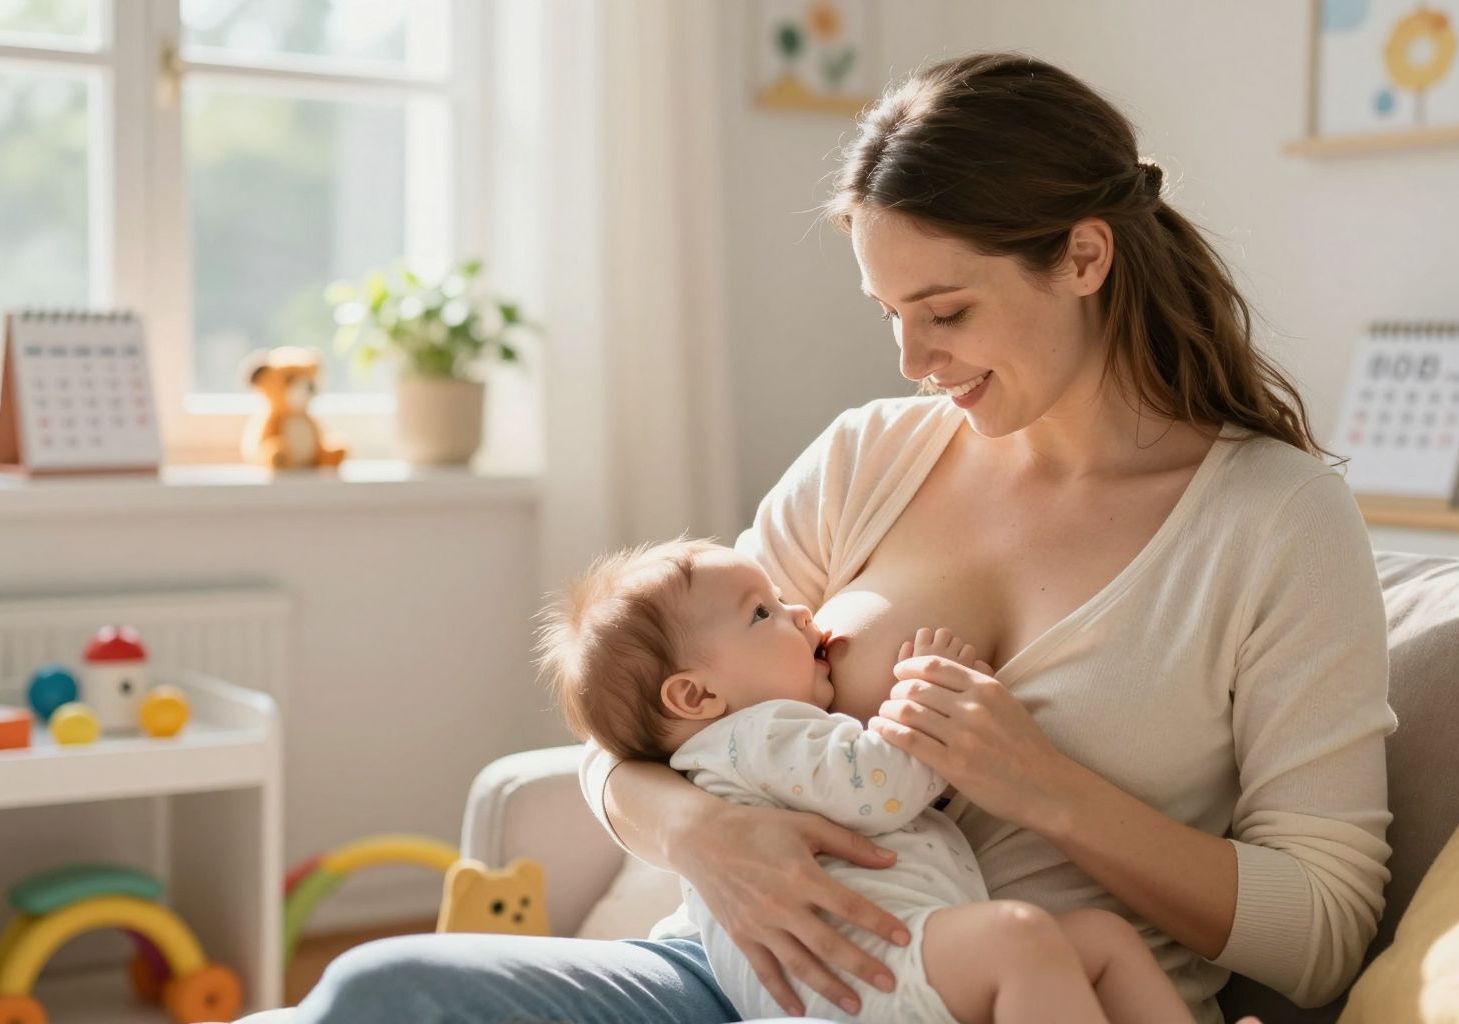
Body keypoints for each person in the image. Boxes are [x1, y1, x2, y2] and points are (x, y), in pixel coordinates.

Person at [297, 51, 1395, 1024]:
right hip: (732, 983)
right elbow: (638, 720)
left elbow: (1326, 933)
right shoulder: (870, 457)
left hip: (1014, 993)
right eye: (890, 313)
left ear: (1085, 257)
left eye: (947, 312)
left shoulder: (1275, 521)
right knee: (377, 992)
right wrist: (704, 838)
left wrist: (1045, 787)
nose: (914, 360)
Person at [532, 536, 1198, 1024]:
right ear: (696, 698)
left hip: (879, 964)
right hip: (854, 983)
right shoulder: (758, 735)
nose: (800, 612)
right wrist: (935, 699)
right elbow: (883, 784)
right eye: (761, 613)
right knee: (1018, 938)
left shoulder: (745, 744)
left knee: (1102, 941)